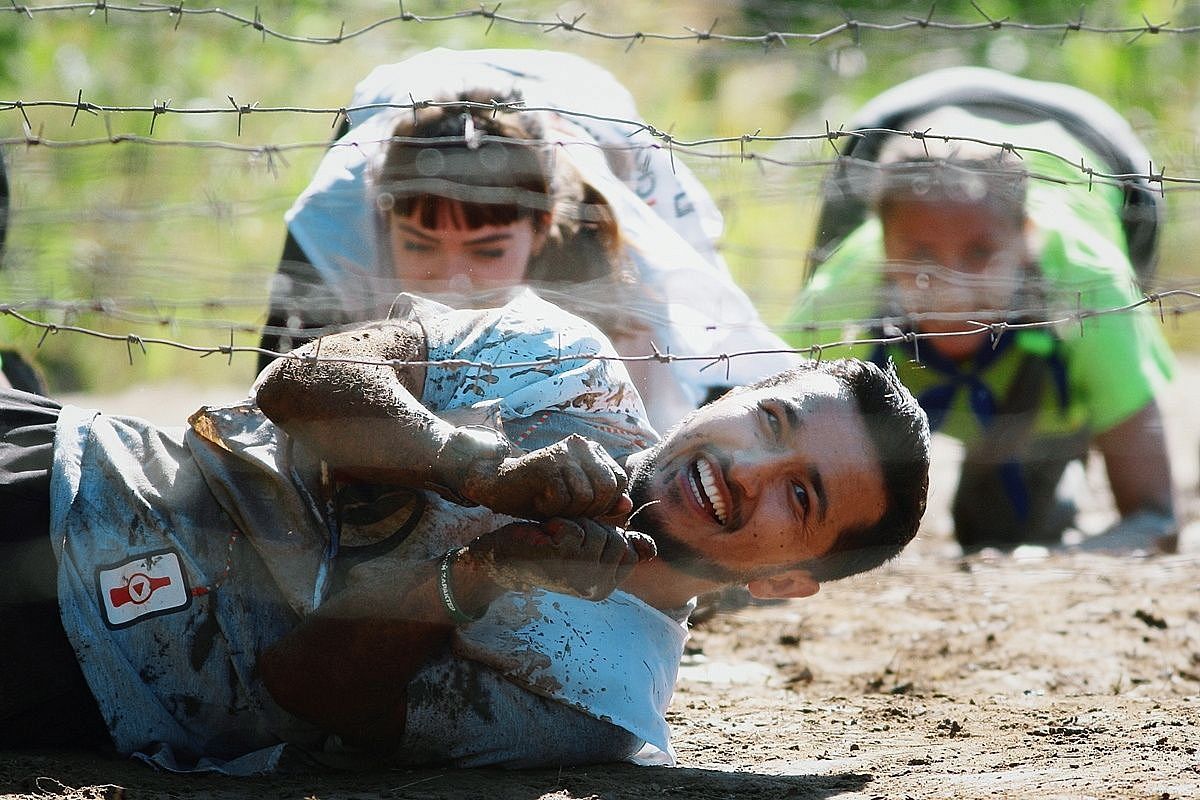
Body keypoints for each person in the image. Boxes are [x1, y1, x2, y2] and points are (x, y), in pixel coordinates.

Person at [1, 290, 930, 773]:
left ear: (783, 583)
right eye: (770, 423)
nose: (748, 470)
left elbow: (310, 685)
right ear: (737, 396)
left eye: (801, 498)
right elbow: (302, 381)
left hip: (72, 657)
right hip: (56, 452)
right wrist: (470, 464)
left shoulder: (602, 703)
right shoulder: (563, 360)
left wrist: (484, 572)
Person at [260, 47, 800, 431]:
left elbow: (692, 391)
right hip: (398, 95)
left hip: (587, 105)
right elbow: (277, 398)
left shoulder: (606, 236)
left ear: (541, 230)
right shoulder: (336, 217)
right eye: (421, 243)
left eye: (488, 249)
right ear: (383, 219)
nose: (453, 279)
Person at [785, 67, 1175, 555]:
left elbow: (1156, 517)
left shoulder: (1090, 288)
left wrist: (1052, 562)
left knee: (1005, 526)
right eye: (921, 256)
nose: (951, 286)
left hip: (1102, 147)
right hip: (901, 116)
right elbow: (755, 431)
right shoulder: (846, 286)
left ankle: (1048, 449)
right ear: (883, 251)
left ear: (1028, 239)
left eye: (979, 253)